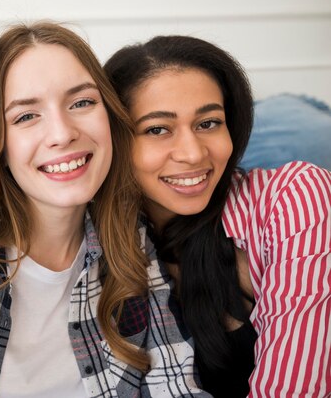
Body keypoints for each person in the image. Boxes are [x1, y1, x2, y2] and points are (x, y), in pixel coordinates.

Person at [0, 22, 209, 398]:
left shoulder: (130, 239)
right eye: (26, 116)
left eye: (82, 103)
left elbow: (175, 382)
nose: (62, 133)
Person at [104, 35, 331, 397]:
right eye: (157, 129)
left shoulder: (295, 195)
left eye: (208, 123)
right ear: (112, 139)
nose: (193, 154)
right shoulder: (103, 245)